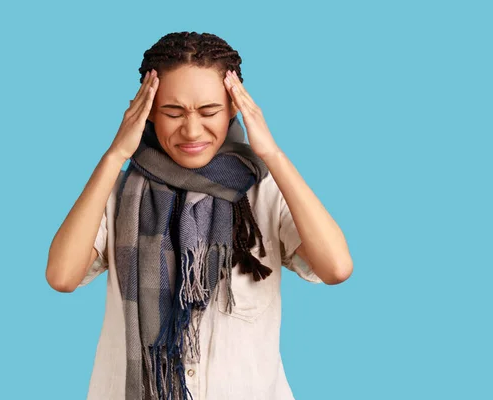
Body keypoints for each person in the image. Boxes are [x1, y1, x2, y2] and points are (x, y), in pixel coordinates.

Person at [46, 31, 353, 400]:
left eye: (209, 111)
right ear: (146, 111)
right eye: (172, 112)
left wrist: (271, 153)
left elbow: (335, 268)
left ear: (234, 108)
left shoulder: (266, 193)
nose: (192, 130)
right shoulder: (116, 194)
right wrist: (114, 156)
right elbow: (62, 277)